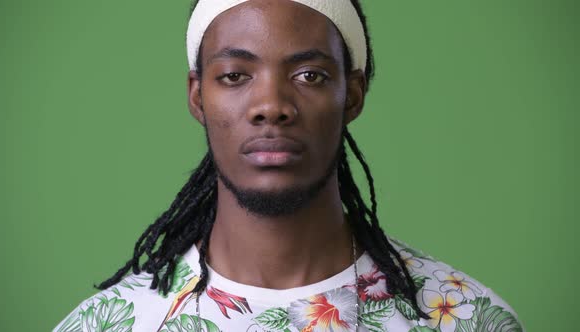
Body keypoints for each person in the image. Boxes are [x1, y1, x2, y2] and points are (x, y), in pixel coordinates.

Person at [54, 0, 524, 331]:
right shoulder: (114, 323)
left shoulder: (467, 319)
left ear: (352, 95)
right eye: (235, 76)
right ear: (198, 96)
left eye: (309, 75)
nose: (272, 105)